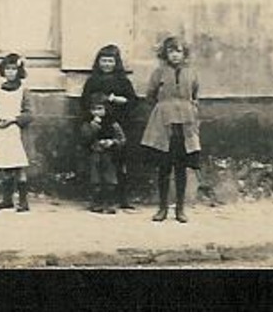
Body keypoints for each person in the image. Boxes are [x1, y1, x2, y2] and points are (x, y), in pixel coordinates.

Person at [142, 35, 203, 223]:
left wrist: (190, 110)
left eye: (178, 51)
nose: (175, 55)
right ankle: (162, 208)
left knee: (181, 168)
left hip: (184, 125)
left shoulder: (191, 73)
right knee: (164, 168)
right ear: (165, 54)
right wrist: (163, 109)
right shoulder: (159, 73)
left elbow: (195, 94)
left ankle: (180, 209)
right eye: (171, 51)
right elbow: (150, 94)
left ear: (184, 54)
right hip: (164, 124)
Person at [81, 43, 139, 209]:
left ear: (116, 63)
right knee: (97, 162)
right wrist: (91, 120)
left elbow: (133, 102)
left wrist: (118, 100)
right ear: (98, 62)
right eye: (104, 61)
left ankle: (122, 197)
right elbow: (84, 103)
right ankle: (97, 199)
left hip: (117, 124)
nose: (107, 64)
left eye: (110, 61)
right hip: (98, 126)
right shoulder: (92, 81)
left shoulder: (123, 81)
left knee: (119, 161)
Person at [0, 53, 33, 212]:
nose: (10, 72)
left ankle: (23, 201)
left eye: (13, 69)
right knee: (4, 165)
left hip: (16, 132)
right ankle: (7, 200)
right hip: (1, 132)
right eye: (7, 69)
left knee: (19, 167)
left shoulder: (23, 91)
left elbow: (30, 114)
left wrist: (13, 120)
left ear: (19, 71)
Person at [81, 93, 127, 214]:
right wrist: (93, 128)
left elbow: (122, 139)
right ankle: (96, 202)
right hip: (95, 154)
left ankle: (110, 203)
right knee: (95, 178)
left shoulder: (113, 124)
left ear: (107, 109)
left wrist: (112, 142)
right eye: (93, 109)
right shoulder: (88, 123)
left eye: (100, 109)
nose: (96, 112)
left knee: (110, 178)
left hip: (110, 155)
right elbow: (85, 139)